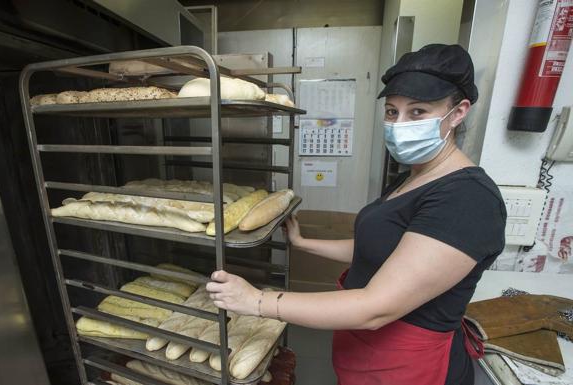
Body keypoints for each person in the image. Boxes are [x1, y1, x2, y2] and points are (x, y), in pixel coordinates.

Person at [206, 44, 506, 385]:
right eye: (392, 112)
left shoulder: (467, 199)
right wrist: (304, 243)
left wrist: (257, 301)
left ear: (458, 112)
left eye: (418, 112)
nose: (399, 124)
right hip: (366, 353)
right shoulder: (412, 176)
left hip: (409, 367)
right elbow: (381, 249)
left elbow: (375, 308)